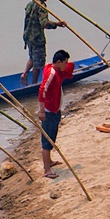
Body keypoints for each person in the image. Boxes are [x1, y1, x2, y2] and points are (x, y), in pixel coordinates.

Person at [38, 49, 77, 178]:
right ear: (59, 62)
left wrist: (68, 65)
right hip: (49, 111)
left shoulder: (55, 70)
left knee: (52, 137)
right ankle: (47, 170)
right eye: (64, 63)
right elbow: (42, 91)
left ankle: (49, 161)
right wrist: (42, 111)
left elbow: (70, 68)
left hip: (55, 109)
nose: (66, 65)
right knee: (47, 141)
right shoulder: (51, 73)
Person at [22, 0, 67, 86]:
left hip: (28, 36)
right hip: (37, 38)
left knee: (32, 58)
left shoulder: (30, 4)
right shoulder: (42, 7)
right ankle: (34, 84)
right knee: (38, 64)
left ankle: (24, 74)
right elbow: (44, 23)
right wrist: (57, 24)